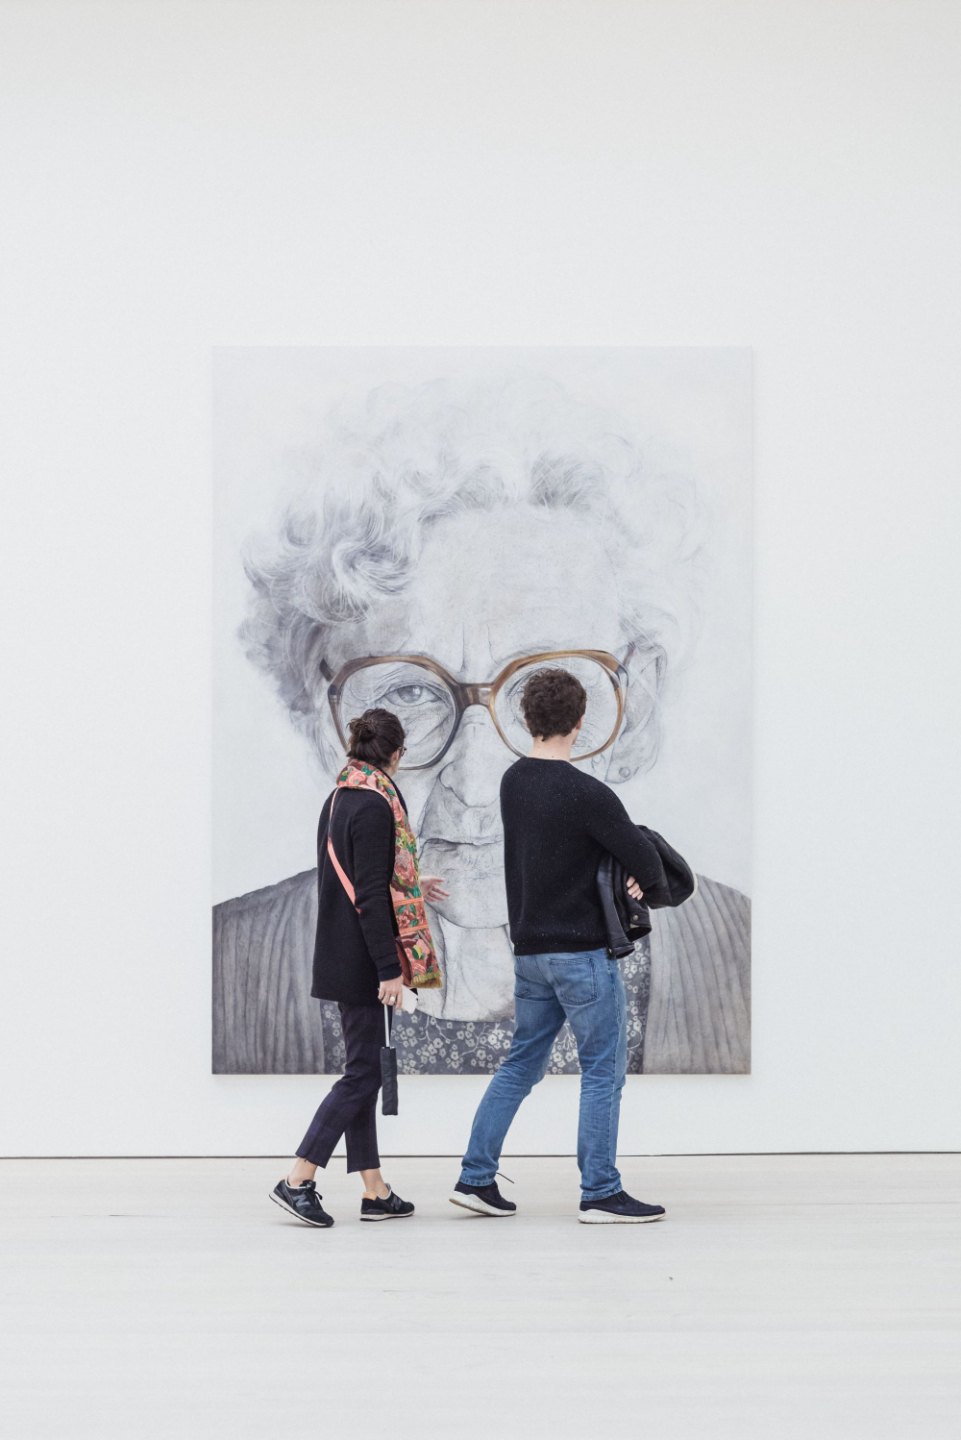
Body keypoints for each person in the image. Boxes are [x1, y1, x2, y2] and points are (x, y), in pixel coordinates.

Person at [214, 376, 749, 1076]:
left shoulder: (745, 951)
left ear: (635, 704)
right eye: (409, 690)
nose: (474, 782)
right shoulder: (224, 963)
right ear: (327, 714)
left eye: (543, 688)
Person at [450, 668, 668, 1224]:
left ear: (527, 719)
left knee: (520, 1065)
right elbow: (648, 865)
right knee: (602, 1072)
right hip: (582, 956)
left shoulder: (512, 783)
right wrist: (636, 876)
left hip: (530, 954)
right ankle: (600, 1192)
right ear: (579, 722)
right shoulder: (589, 794)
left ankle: (475, 1179)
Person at [270, 708, 447, 1228]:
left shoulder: (341, 797)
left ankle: (374, 1191)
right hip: (364, 962)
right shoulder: (374, 805)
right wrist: (389, 970)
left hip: (344, 952)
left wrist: (411, 884)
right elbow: (367, 893)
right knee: (363, 1073)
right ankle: (297, 1178)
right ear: (396, 754)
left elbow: (359, 875)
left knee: (364, 1070)